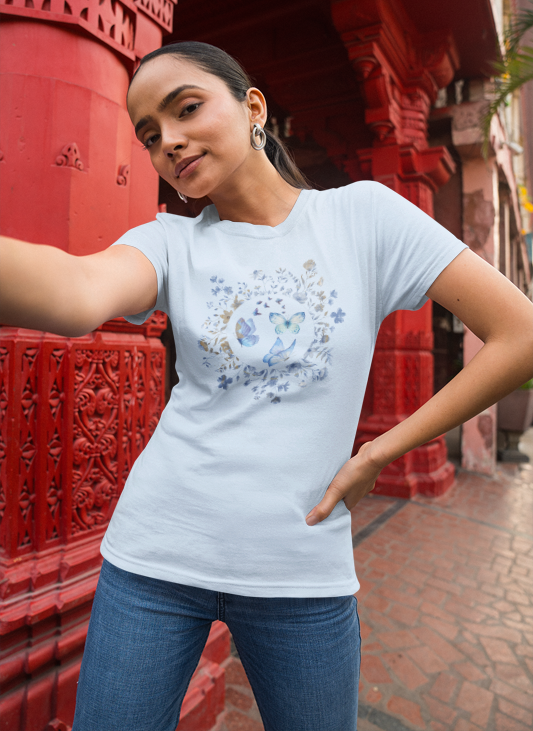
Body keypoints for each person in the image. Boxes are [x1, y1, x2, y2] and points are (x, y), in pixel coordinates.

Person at [1, 41, 532, 731]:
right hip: (155, 559)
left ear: (252, 107)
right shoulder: (169, 241)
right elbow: (74, 292)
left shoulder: (362, 217)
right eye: (150, 134)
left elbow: (518, 334)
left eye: (186, 109)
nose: (170, 142)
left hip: (301, 571)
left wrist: (377, 453)